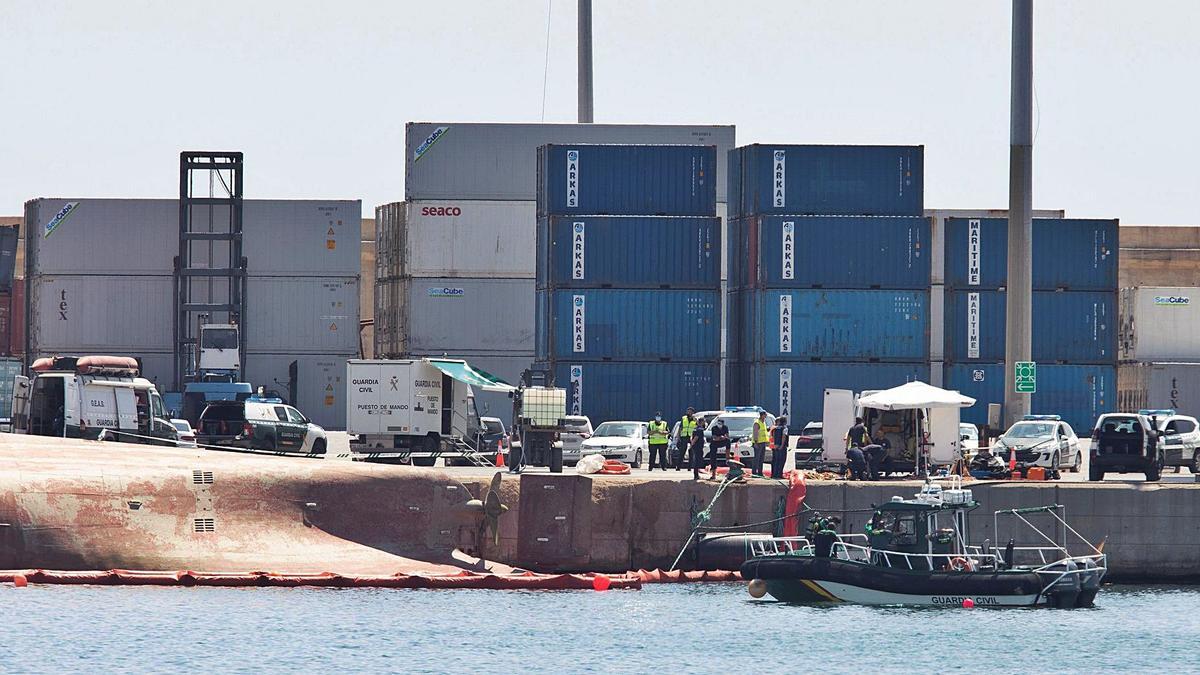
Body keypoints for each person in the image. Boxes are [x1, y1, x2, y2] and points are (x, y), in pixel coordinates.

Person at [751, 411, 770, 477]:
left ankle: (760, 472)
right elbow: (755, 433)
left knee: (761, 458)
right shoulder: (757, 423)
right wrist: (756, 443)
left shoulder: (763, 422)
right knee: (757, 458)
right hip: (758, 443)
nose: (766, 416)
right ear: (762, 415)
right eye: (765, 415)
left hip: (763, 443)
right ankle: (754, 472)